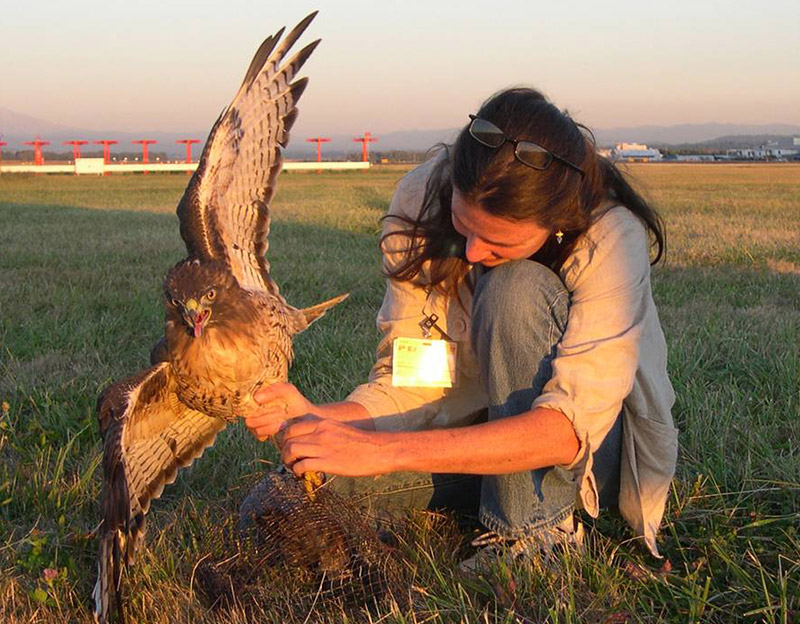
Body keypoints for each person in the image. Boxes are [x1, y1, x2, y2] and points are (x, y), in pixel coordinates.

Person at [244, 87, 678, 565]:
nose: (471, 253)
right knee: (296, 493)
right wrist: (322, 417)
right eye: (462, 224)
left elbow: (567, 432)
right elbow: (418, 382)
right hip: (474, 431)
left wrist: (382, 451)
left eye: (496, 241)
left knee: (513, 288)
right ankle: (488, 491)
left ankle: (532, 538)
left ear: (556, 222)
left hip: (587, 457)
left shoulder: (610, 236)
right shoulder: (419, 198)